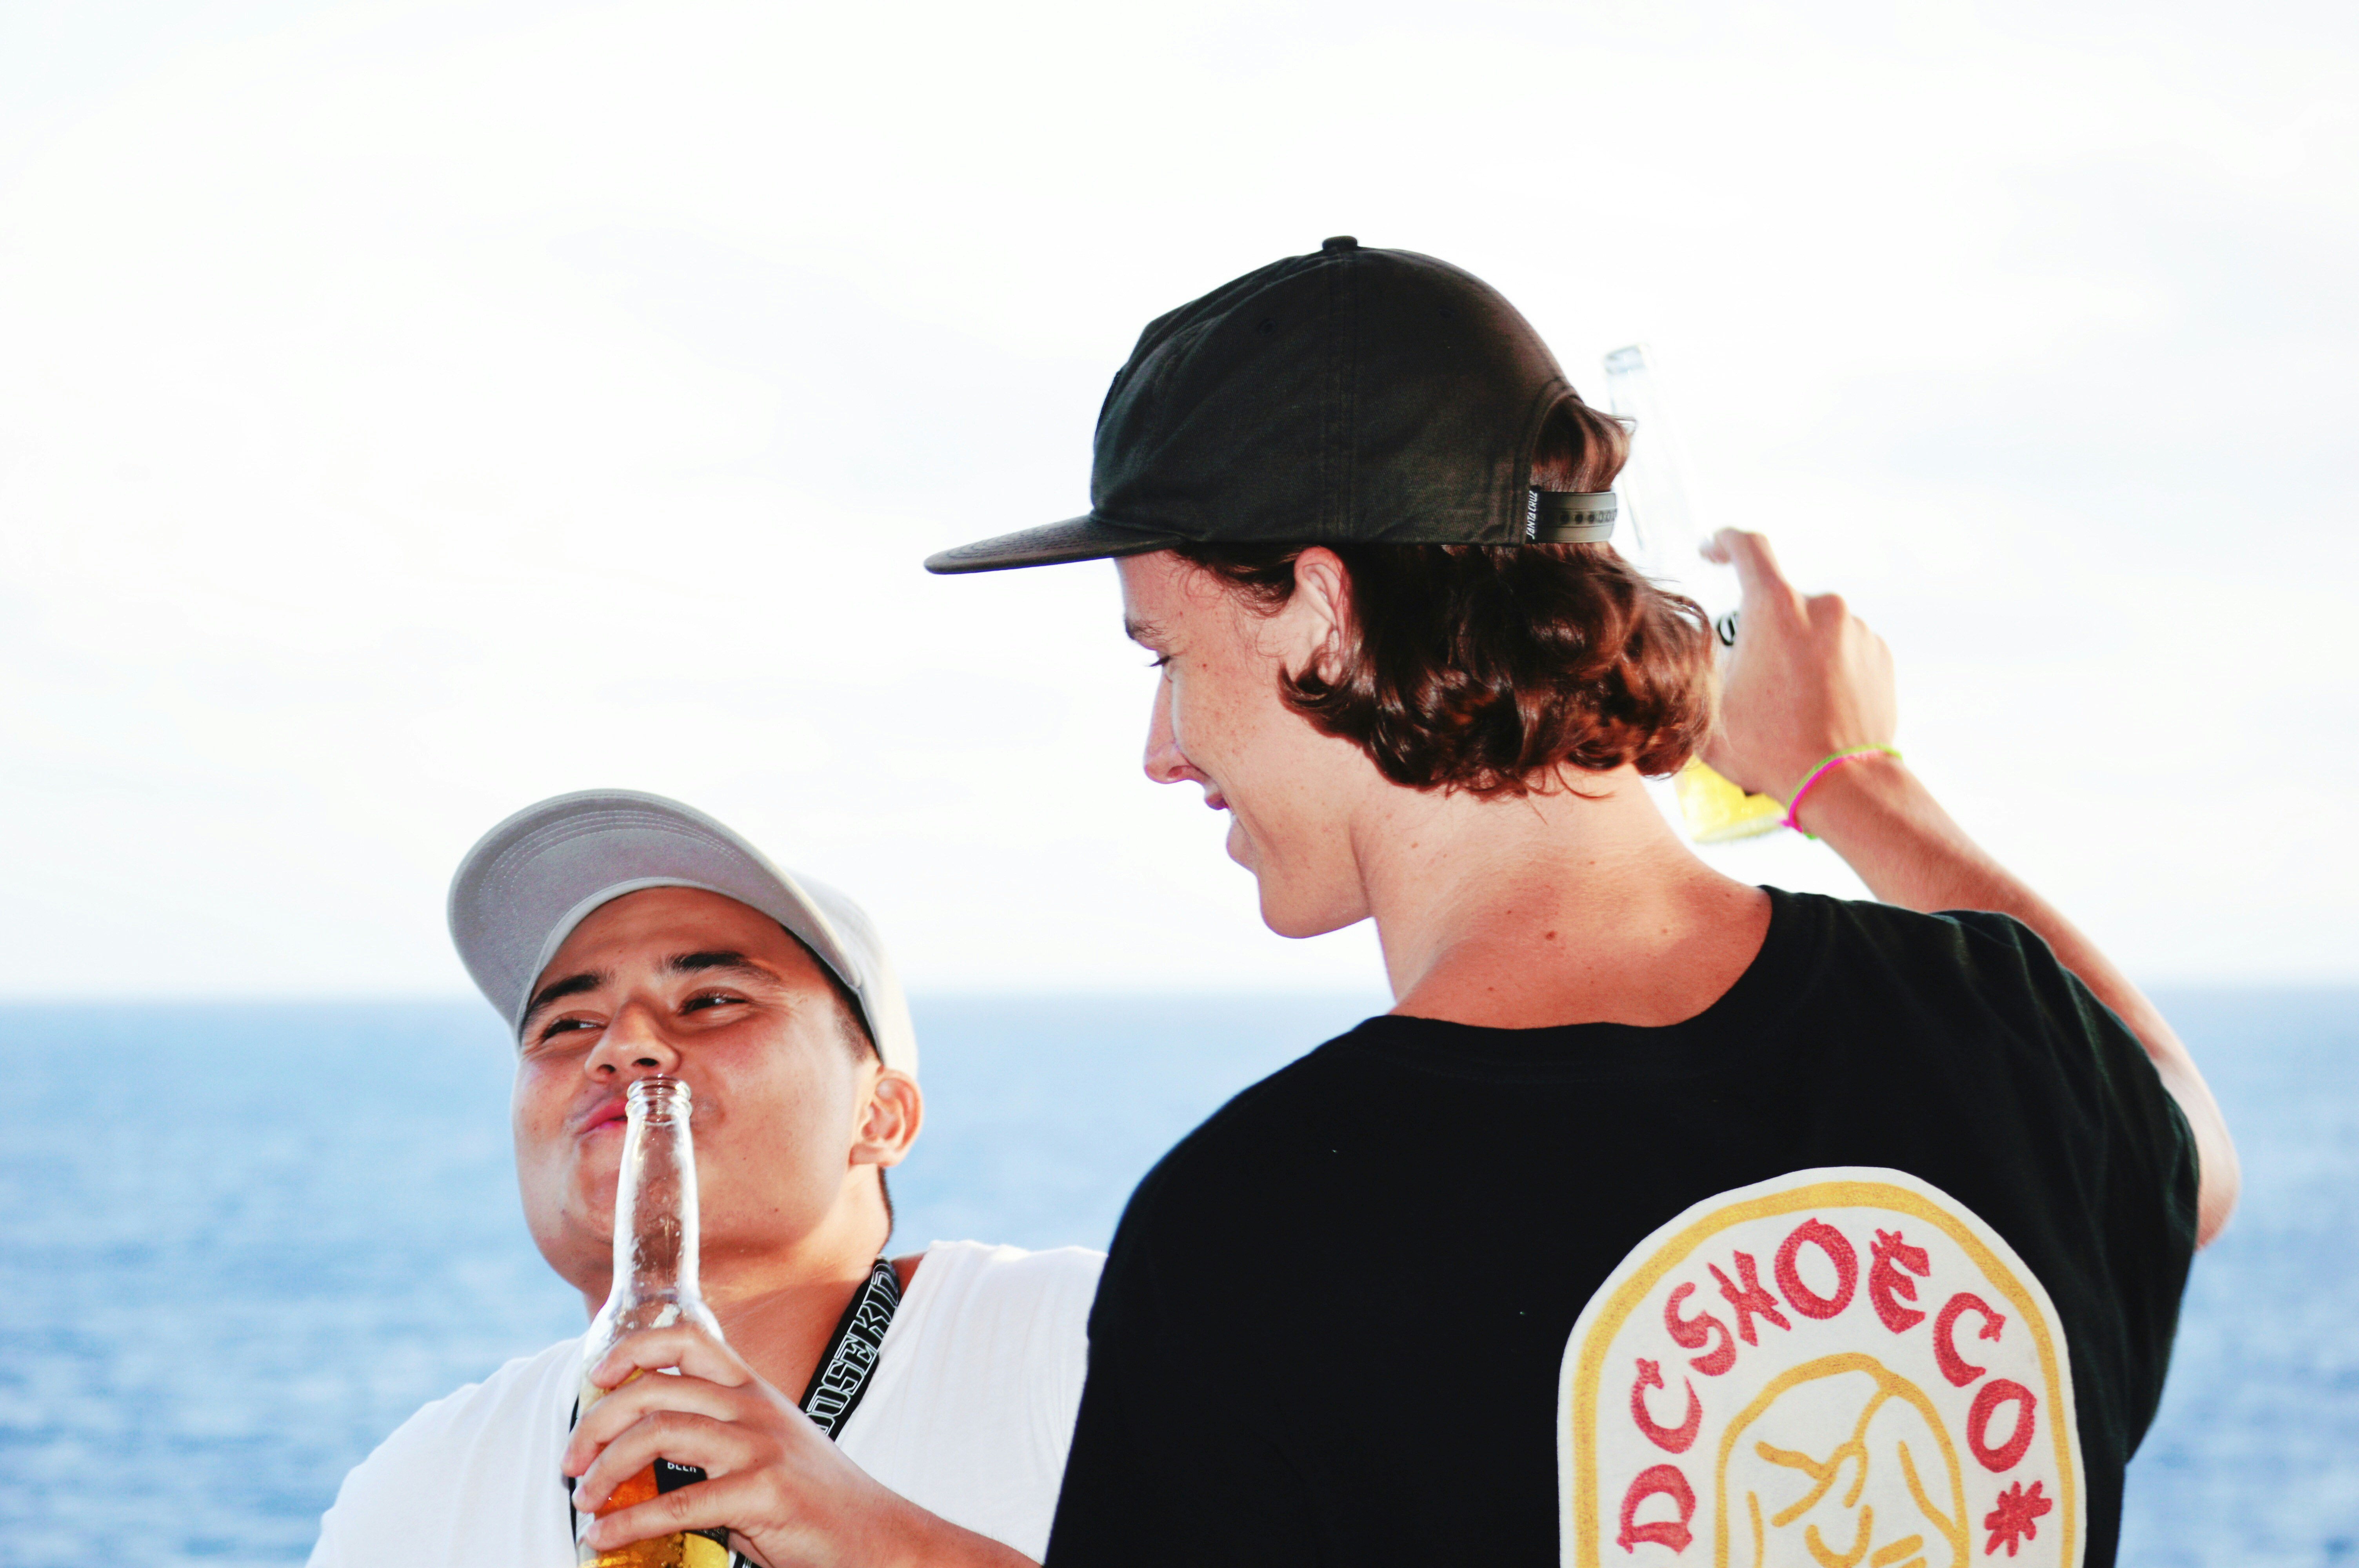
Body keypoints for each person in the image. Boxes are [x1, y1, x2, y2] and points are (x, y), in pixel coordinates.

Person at [925, 237, 2237, 1567]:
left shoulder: (1260, 1231)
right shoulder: (2008, 1039)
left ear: (1324, 612)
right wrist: (1848, 781)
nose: (1162, 745)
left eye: (1166, 657)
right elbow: (2186, 1153)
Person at [308, 789, 1100, 1567]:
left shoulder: (1082, 1337)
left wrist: (881, 1544)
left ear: (878, 1115)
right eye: (567, 1024)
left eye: (712, 999)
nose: (620, 1045)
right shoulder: (414, 1493)